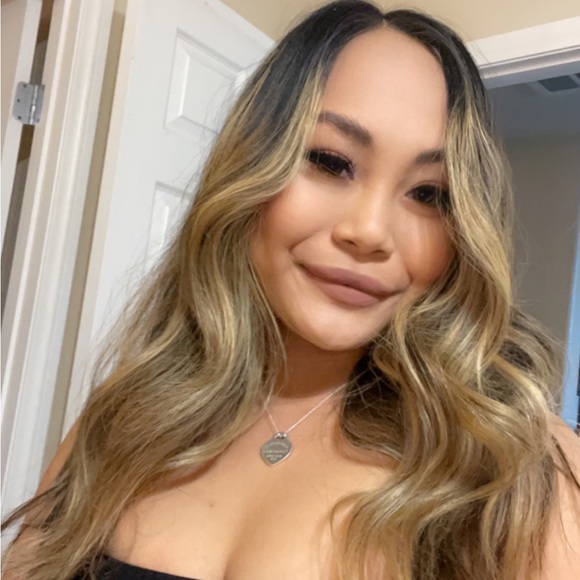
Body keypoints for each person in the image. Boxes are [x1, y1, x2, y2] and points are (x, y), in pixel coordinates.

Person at [3, 1, 580, 579]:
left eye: (428, 194)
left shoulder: (519, 473)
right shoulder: (126, 415)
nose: (369, 232)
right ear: (251, 163)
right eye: (330, 161)